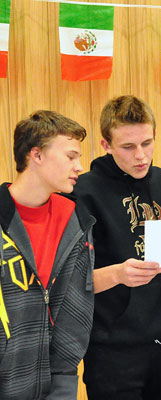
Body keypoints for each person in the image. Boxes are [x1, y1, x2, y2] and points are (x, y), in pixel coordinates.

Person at [73, 96, 161, 400]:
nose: (140, 156)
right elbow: (68, 282)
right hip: (111, 351)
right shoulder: (82, 193)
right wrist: (117, 274)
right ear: (106, 144)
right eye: (128, 147)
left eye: (147, 143)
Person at [0, 110, 94, 399]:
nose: (79, 166)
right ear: (37, 155)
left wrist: (64, 388)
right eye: (70, 157)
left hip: (54, 387)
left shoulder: (76, 221)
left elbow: (74, 315)